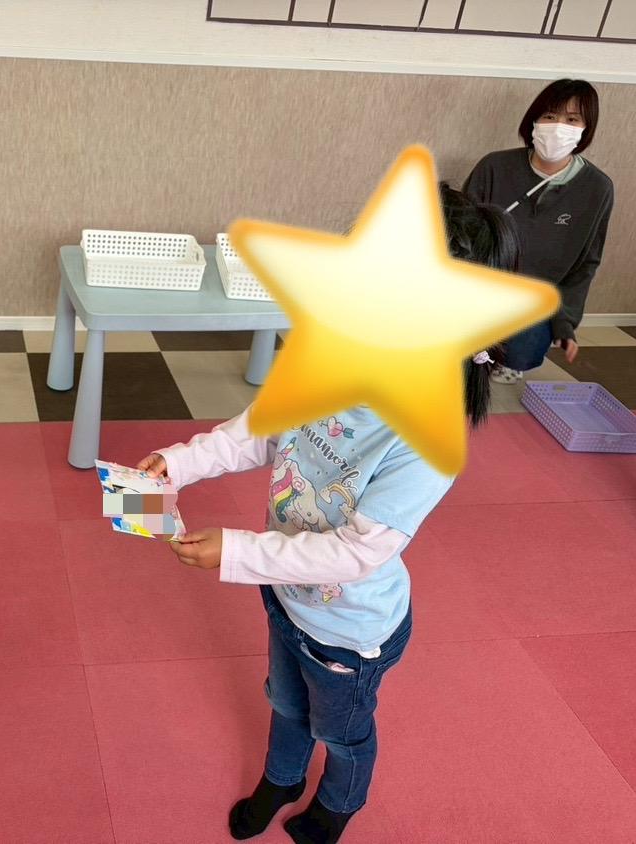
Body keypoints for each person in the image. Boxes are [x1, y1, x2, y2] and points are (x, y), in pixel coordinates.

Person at [136, 185, 514, 844]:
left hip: (349, 634)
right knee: (284, 703)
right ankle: (282, 777)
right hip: (286, 596)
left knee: (341, 734)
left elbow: (357, 551)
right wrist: (180, 461)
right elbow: (257, 433)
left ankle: (339, 803)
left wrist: (237, 551)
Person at [464, 78, 614, 385]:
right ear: (534, 120)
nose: (558, 127)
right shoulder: (494, 167)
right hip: (479, 286)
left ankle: (507, 354)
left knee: (525, 350)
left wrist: (565, 323)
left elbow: (586, 263)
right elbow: (459, 233)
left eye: (572, 120)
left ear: (585, 128)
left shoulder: (597, 188)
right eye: (549, 116)